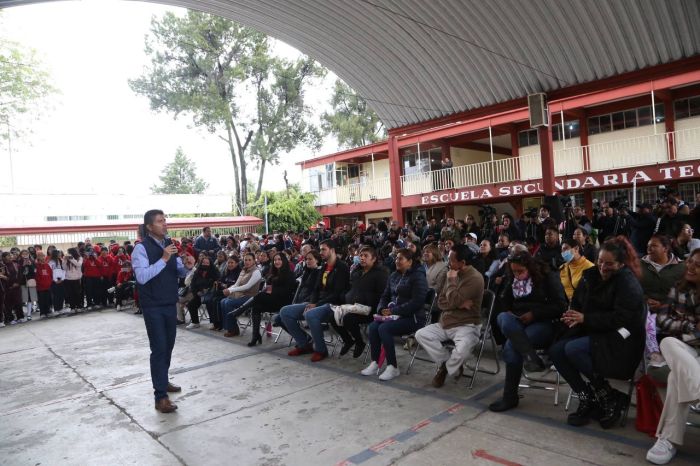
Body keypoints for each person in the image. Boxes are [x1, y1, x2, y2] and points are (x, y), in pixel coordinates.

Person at [550, 236, 645, 429]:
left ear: (620, 264)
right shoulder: (589, 275)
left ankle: (608, 396)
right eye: (600, 261)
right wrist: (571, 317)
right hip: (593, 330)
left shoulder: (627, 282)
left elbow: (622, 319)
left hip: (622, 337)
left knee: (573, 349)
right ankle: (588, 396)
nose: (603, 267)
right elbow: (577, 304)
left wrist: (585, 318)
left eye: (609, 264)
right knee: (556, 351)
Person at [488, 251, 567, 412]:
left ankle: (509, 397)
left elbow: (560, 306)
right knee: (503, 317)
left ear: (529, 267)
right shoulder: (512, 279)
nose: (517, 274)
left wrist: (534, 314)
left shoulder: (547, 277)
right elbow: (504, 303)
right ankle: (531, 357)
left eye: (520, 271)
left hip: (543, 323)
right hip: (517, 323)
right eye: (514, 271)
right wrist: (509, 309)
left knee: (511, 346)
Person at [132, 209, 193, 414]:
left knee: (168, 346)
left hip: (169, 302)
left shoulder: (169, 245)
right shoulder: (140, 249)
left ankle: (163, 380)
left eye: (165, 220)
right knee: (158, 349)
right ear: (149, 227)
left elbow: (179, 272)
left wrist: (187, 266)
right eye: (160, 221)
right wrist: (164, 259)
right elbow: (142, 277)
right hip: (153, 306)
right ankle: (160, 397)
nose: (165, 223)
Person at [646, 250, 700, 464]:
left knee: (675, 378)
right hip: (685, 349)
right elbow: (662, 321)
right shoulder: (678, 290)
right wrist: (689, 325)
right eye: (690, 262)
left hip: (691, 352)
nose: (691, 267)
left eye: (698, 265)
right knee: (667, 342)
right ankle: (697, 389)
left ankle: (668, 439)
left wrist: (686, 328)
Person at [415, 245, 484, 388]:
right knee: (421, 334)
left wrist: (452, 284)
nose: (448, 263)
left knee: (462, 350)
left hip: (467, 325)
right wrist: (458, 304)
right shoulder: (451, 272)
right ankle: (447, 362)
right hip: (446, 321)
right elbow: (440, 301)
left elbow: (450, 300)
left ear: (463, 263)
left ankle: (445, 369)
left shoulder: (475, 278)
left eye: (451, 260)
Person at [361, 248, 428, 381]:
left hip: (413, 318)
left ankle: (393, 367)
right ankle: (375, 362)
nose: (397, 261)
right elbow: (384, 296)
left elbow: (417, 302)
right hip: (393, 315)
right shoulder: (394, 275)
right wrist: (381, 309)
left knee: (384, 328)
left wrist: (394, 311)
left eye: (400, 259)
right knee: (373, 327)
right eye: (396, 258)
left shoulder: (418, 276)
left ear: (409, 262)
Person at [280, 239, 350, 362]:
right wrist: (313, 302)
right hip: (318, 302)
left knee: (310, 314)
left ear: (332, 250)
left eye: (324, 249)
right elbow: (316, 289)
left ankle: (321, 350)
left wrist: (316, 304)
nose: (321, 252)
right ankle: (304, 343)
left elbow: (337, 293)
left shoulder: (342, 267)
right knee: (285, 312)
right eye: (320, 249)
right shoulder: (323, 266)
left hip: (333, 304)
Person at [331, 246, 389, 357]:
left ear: (374, 258)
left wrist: (365, 302)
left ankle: (359, 342)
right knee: (333, 315)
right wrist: (346, 298)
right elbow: (350, 288)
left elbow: (383, 295)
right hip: (353, 306)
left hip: (370, 309)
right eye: (361, 255)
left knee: (348, 319)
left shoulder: (381, 273)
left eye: (365, 256)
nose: (362, 258)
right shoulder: (356, 271)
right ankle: (348, 340)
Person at [242, 252, 296, 347]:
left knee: (259, 296)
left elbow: (286, 292)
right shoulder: (272, 274)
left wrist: (271, 292)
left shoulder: (289, 274)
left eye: (279, 259)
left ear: (284, 261)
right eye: (275, 260)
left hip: (283, 302)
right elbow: (269, 289)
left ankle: (239, 310)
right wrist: (269, 290)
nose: (277, 261)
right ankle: (255, 335)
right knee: (256, 307)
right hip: (272, 300)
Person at [220, 253, 263, 337]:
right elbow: (237, 284)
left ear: (254, 261)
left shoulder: (256, 271)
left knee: (228, 303)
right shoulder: (243, 270)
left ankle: (233, 329)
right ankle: (229, 327)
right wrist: (228, 289)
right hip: (241, 294)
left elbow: (247, 286)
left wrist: (231, 290)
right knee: (223, 301)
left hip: (251, 297)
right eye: (245, 260)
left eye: (249, 260)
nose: (247, 262)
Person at [185, 255, 220, 329]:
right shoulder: (197, 271)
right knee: (191, 304)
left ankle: (213, 322)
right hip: (198, 294)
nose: (205, 264)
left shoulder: (214, 271)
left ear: (210, 264)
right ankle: (195, 322)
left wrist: (206, 288)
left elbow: (215, 281)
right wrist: (197, 292)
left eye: (207, 263)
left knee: (209, 302)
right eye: (203, 263)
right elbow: (193, 283)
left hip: (210, 294)